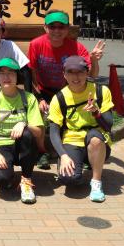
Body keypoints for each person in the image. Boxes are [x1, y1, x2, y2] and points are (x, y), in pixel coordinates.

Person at [28, 9, 105, 169]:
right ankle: (41, 151)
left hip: (67, 92)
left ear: (67, 29)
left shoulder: (77, 47)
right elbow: (32, 73)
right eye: (52, 26)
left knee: (76, 118)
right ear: (45, 28)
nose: (56, 31)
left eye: (61, 27)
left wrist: (93, 60)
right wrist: (39, 98)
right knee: (37, 117)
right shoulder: (36, 44)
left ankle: (77, 153)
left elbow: (92, 75)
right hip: (43, 90)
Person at [0, 58, 44, 204]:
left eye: (11, 73)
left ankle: (26, 180)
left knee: (27, 133)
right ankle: (9, 174)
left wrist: (23, 124)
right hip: (0, 146)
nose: (6, 77)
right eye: (2, 73)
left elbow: (38, 131)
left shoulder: (28, 98)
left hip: (22, 146)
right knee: (3, 180)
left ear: (17, 76)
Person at [48, 56, 114, 202]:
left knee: (95, 139)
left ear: (86, 73)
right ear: (64, 74)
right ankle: (77, 163)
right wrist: (63, 155)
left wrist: (96, 112)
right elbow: (53, 132)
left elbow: (108, 125)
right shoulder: (59, 98)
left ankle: (96, 182)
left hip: (97, 140)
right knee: (69, 179)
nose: (75, 77)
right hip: (72, 139)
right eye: (70, 72)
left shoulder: (100, 91)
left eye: (80, 72)